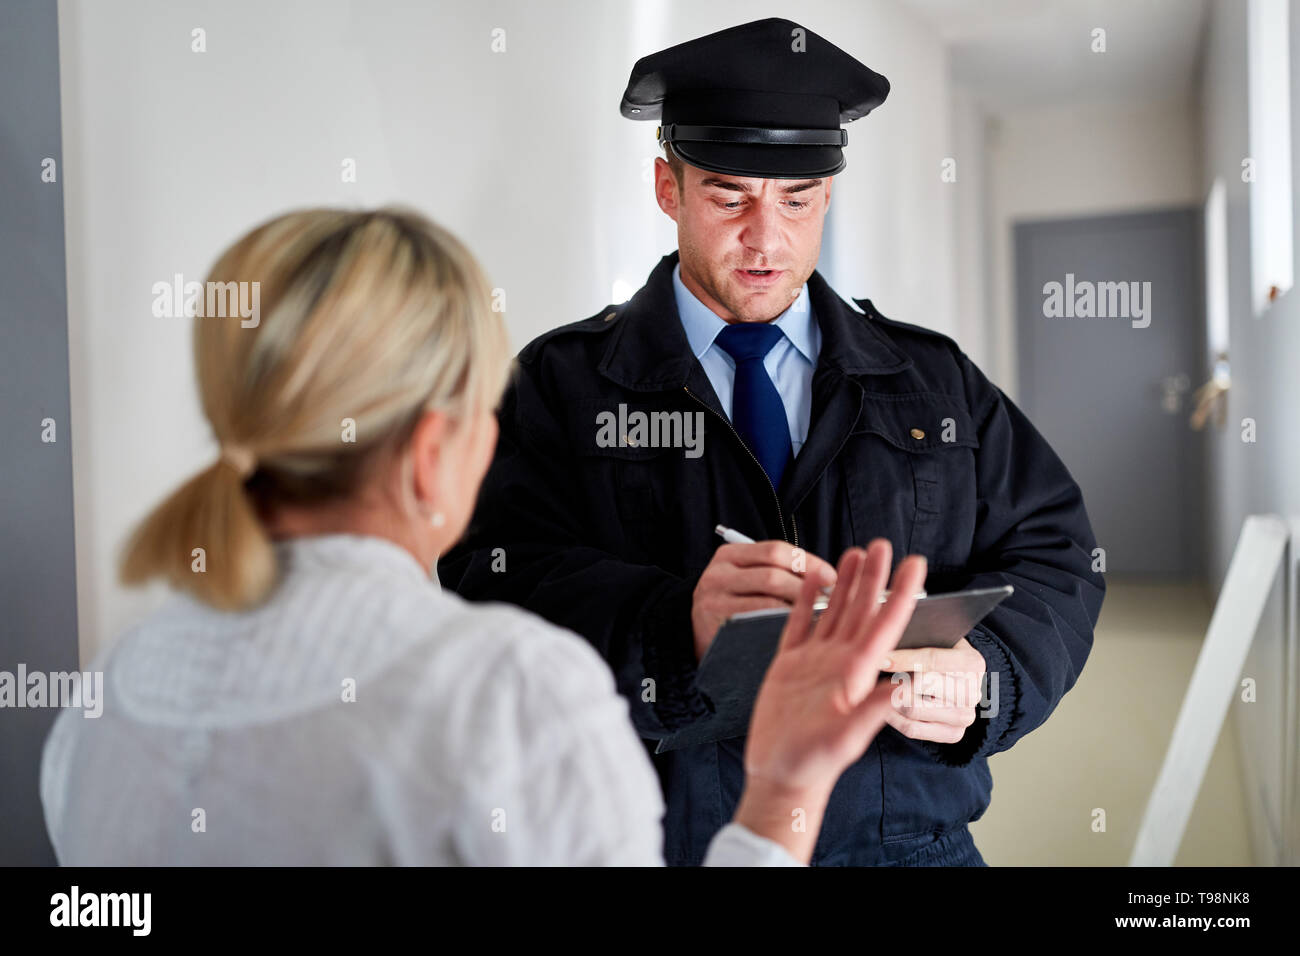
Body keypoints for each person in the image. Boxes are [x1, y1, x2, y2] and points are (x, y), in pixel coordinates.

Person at [39, 206, 927, 866]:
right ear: (433, 451)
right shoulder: (510, 695)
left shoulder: (107, 698)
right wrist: (785, 788)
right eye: (482, 413)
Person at [439, 18, 1107, 866]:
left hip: (905, 842)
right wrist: (671, 625)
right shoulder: (559, 385)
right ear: (667, 188)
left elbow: (1058, 551)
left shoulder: (932, 380)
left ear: (827, 194)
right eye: (728, 196)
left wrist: (991, 676)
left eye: (797, 200)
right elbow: (485, 582)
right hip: (655, 842)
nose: (767, 237)